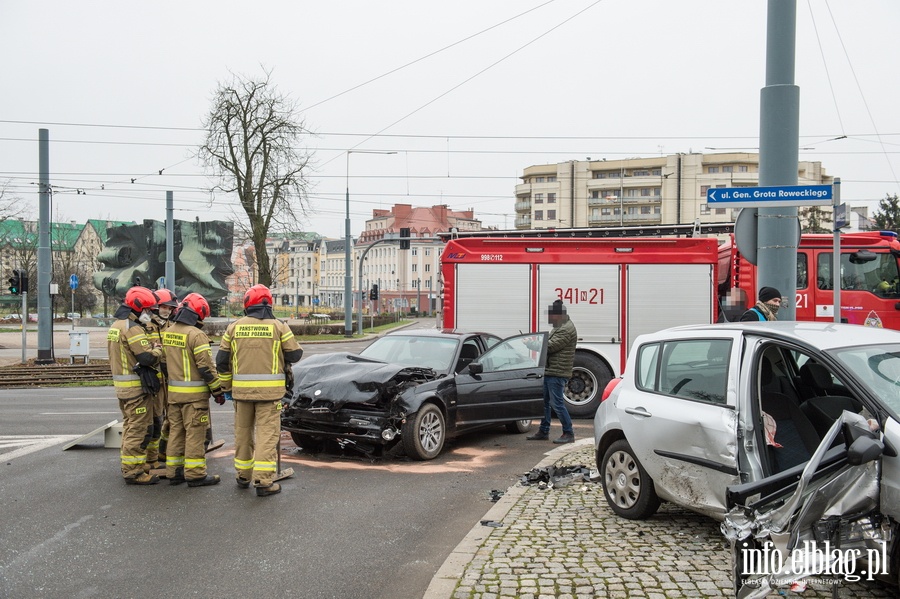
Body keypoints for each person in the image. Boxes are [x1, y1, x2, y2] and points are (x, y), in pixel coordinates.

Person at [216, 284, 303, 497]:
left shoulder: (233, 327)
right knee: (267, 435)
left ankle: (243, 476)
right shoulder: (278, 326)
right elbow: (295, 355)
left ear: (247, 304)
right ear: (268, 304)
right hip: (270, 395)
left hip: (241, 395)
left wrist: (227, 386)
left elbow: (221, 362)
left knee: (243, 433)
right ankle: (263, 481)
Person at [161, 292, 224, 487]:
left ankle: (174, 472)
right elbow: (206, 367)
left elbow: (163, 363)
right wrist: (218, 392)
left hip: (174, 396)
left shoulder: (169, 332)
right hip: (194, 398)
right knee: (195, 434)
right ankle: (195, 474)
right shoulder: (196, 335)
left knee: (176, 433)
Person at [107, 286, 165, 485]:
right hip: (136, 388)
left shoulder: (117, 325)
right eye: (148, 310)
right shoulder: (132, 328)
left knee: (131, 426)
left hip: (124, 387)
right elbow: (146, 357)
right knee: (138, 430)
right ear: (139, 308)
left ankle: (134, 467)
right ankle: (133, 472)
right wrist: (158, 349)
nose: (150, 314)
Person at [527, 299, 576, 444]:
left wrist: (530, 344)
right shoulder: (560, 326)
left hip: (557, 373)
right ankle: (543, 431)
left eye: (551, 315)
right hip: (551, 370)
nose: (549, 318)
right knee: (545, 403)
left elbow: (550, 347)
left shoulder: (566, 330)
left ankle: (568, 433)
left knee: (557, 404)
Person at [145, 288, 178, 471]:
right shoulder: (145, 326)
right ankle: (151, 459)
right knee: (155, 420)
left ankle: (163, 452)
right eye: (164, 306)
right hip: (153, 383)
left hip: (168, 381)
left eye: (170, 307)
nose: (167, 310)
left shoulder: (169, 327)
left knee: (170, 419)